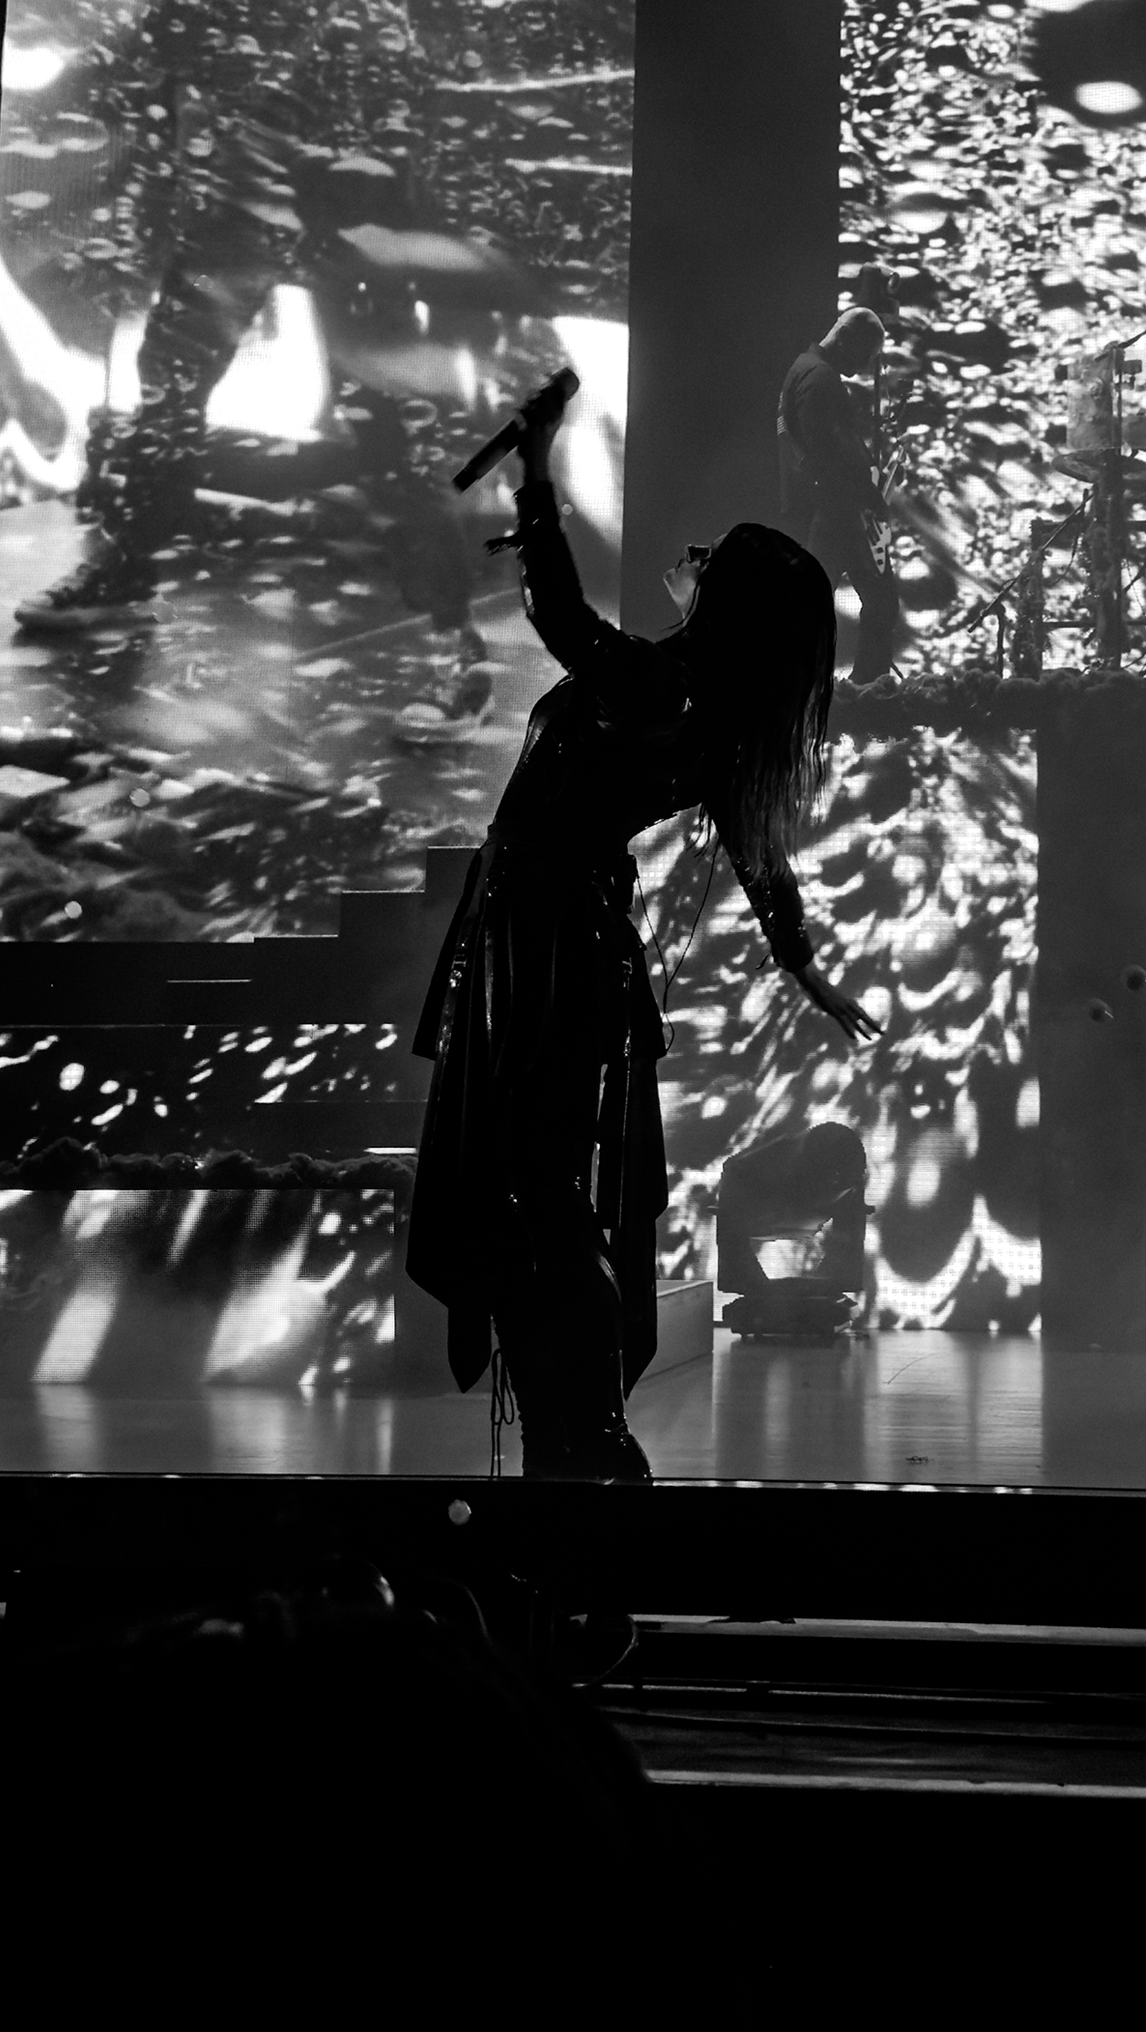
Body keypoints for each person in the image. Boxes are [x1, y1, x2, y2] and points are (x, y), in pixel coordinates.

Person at [408, 378, 881, 1480]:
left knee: (536, 1192)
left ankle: (587, 1426)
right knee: (537, 1191)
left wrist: (535, 474)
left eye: (715, 560)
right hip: (548, 932)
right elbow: (761, 858)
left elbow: (561, 620)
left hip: (547, 939)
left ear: (730, 603)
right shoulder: (694, 701)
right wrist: (803, 967)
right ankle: (573, 1426)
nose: (693, 556)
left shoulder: (662, 690)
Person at [14, 0, 481, 653]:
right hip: (259, 171)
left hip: (359, 187)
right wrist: (76, 83)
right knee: (175, 375)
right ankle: (126, 569)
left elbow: (444, 42)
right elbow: (178, 22)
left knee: (383, 411)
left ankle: (449, 627)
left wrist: (391, 154)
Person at [776, 306, 898, 685]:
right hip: (837, 513)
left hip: (831, 510)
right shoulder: (819, 380)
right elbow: (828, 456)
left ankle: (805, 686)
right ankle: (868, 691)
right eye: (865, 354)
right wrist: (869, 496)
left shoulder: (807, 370)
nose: (865, 367)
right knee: (880, 601)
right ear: (844, 338)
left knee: (813, 606)